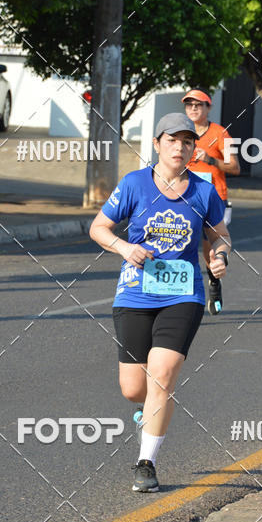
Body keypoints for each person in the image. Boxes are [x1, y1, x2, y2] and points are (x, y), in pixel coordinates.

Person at [89, 113, 231, 492]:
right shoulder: (135, 184)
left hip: (183, 295)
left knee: (162, 378)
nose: (179, 147)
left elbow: (219, 237)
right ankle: (148, 411)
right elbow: (98, 228)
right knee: (134, 389)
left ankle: (146, 463)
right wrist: (124, 246)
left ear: (193, 149)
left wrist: (218, 256)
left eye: (187, 142)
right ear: (157, 144)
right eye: (172, 140)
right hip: (134, 293)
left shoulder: (203, 191)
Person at [182, 89, 239, 315]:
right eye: (189, 105)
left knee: (211, 249)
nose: (193, 109)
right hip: (185, 195)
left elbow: (234, 167)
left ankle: (214, 282)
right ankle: (181, 293)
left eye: (198, 105)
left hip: (214, 197)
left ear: (208, 108)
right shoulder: (182, 132)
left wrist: (211, 158)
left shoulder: (220, 133)